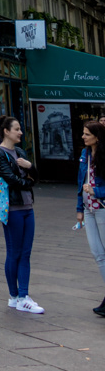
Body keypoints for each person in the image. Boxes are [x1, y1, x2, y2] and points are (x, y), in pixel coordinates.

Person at [0, 116, 43, 313]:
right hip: (12, 208)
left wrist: (30, 167)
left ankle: (21, 295)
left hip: (28, 207)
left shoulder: (20, 152)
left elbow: (36, 175)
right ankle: (18, 296)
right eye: (17, 129)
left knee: (26, 252)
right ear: (6, 131)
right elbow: (11, 179)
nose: (20, 132)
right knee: (14, 252)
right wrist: (29, 181)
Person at [76, 121, 105, 318]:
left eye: (87, 134)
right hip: (88, 210)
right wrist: (79, 207)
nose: (83, 137)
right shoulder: (84, 154)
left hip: (102, 208)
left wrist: (97, 191)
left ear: (97, 136)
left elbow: (93, 186)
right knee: (98, 254)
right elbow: (80, 182)